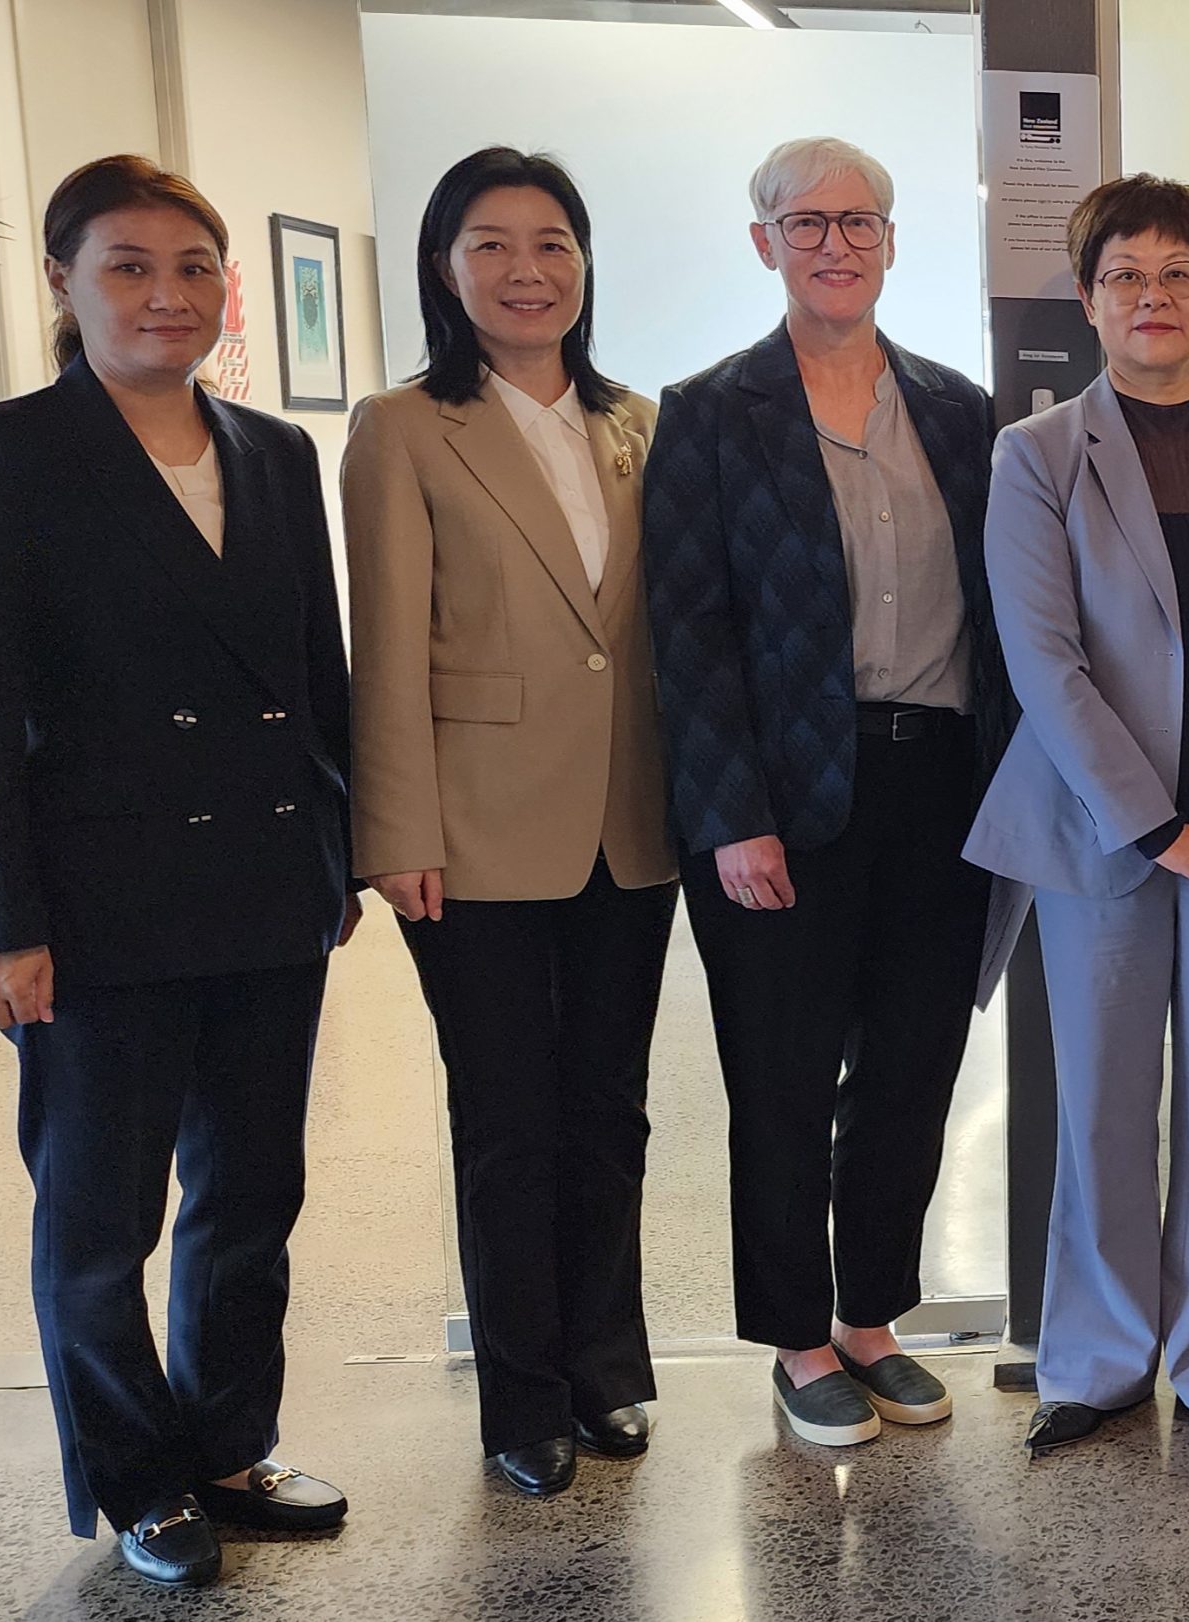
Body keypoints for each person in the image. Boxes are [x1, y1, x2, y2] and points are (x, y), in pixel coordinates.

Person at [0, 155, 356, 1588]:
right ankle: (135, 1477)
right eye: (129, 266)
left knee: (253, 1192)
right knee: (102, 1217)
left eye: (193, 267)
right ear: (64, 280)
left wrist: (339, 852)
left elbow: (316, 676)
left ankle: (229, 1442)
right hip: (95, 901)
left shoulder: (273, 453)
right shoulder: (2, 452)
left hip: (267, 886)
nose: (167, 294)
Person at [641, 137, 1012, 1449]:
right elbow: (685, 630)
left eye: (859, 222)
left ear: (893, 241)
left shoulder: (961, 411)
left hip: (941, 786)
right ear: (765, 243)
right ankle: (798, 1337)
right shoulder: (709, 411)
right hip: (782, 798)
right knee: (785, 1077)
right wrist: (731, 813)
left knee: (912, 1068)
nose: (835, 244)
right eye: (806, 223)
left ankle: (871, 1319)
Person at [964, 173, 1189, 1460]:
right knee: (1103, 1113)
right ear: (1087, 299)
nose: (1153, 295)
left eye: (1179, 272)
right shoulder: (1036, 456)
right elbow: (1044, 662)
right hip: (1100, 841)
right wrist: (1155, 826)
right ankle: (1099, 1360)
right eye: (1125, 274)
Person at [342, 148, 676, 1497]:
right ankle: (522, 1396)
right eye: (491, 243)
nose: (527, 270)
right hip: (470, 829)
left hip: (629, 821)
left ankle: (605, 1367)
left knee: (610, 1108)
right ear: (445, 266)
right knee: (508, 1116)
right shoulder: (406, 425)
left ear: (584, 264)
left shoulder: (638, 422)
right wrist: (395, 828)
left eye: (553, 243)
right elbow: (386, 642)